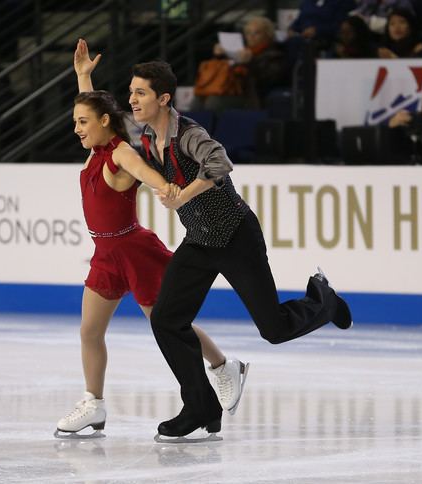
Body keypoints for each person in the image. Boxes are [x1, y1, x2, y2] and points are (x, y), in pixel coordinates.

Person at [76, 39, 352, 441]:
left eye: (140, 93)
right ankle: (200, 406)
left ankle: (321, 300)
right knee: (168, 320)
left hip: (236, 236)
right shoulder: (148, 136)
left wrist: (181, 194)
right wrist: (85, 75)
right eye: (131, 91)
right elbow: (99, 116)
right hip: (201, 240)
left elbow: (220, 162)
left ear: (163, 98)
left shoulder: (187, 133)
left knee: (272, 329)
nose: (131, 100)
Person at [54, 41, 250, 438]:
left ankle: (222, 365)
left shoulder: (120, 153)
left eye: (82, 123)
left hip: (135, 252)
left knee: (168, 323)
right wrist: (82, 76)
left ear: (104, 123)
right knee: (90, 332)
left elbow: (150, 175)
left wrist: (169, 190)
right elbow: (92, 106)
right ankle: (93, 403)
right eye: (75, 122)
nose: (76, 128)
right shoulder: (95, 148)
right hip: (106, 253)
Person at [191, 16, 288, 111]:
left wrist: (250, 63)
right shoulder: (241, 51)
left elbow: (268, 80)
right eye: (248, 33)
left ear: (268, 35)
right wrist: (219, 57)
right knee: (197, 101)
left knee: (214, 102)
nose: (251, 37)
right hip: (229, 90)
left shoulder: (274, 54)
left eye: (256, 33)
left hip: (251, 96)